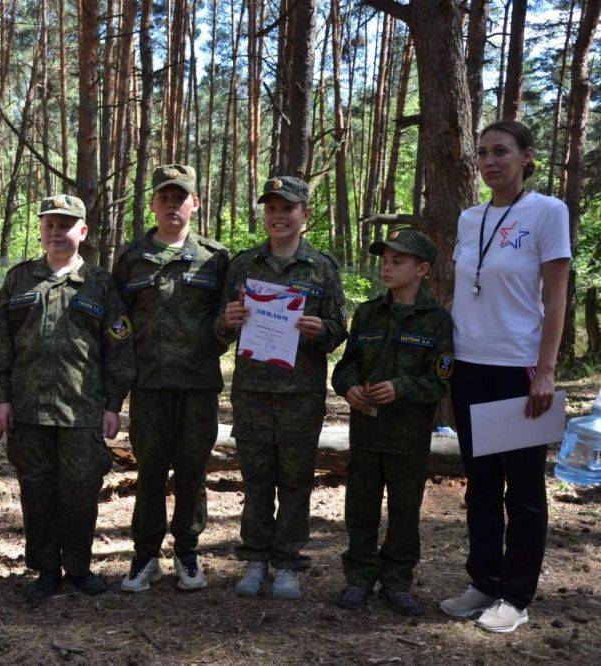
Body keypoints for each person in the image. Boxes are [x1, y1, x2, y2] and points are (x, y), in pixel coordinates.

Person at [439, 120, 571, 634]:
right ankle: (484, 582)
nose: (490, 161)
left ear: (525, 157)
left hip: (519, 369)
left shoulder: (547, 212)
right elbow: (465, 289)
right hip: (470, 366)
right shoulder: (470, 218)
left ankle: (515, 596)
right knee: (482, 485)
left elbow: (555, 296)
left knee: (523, 491)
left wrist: (546, 369)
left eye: (501, 152)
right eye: (483, 153)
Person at [0, 195, 135, 604]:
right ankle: (46, 568)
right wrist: (1, 399)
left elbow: (119, 348)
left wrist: (113, 404)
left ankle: (79, 566)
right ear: (41, 230)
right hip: (29, 408)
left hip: (82, 410)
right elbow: (1, 345)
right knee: (36, 490)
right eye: (50, 225)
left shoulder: (101, 284)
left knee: (80, 490)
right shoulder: (19, 280)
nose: (56, 232)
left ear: (82, 232)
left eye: (66, 225)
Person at [217, 176, 347, 599]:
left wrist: (318, 329)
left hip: (300, 395)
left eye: (287, 208)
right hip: (253, 392)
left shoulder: (322, 266)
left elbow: (338, 328)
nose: (278, 216)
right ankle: (255, 560)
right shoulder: (243, 264)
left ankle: (287, 562)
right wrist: (228, 321)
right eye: (271, 208)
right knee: (255, 481)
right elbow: (217, 326)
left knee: (295, 482)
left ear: (304, 215)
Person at [112, 165, 229, 592]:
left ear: (195, 203)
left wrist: (223, 331)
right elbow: (118, 325)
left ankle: (187, 551)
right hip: (150, 386)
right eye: (164, 197)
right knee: (151, 472)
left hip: (198, 384)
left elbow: (226, 321)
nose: (172, 205)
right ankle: (145, 556)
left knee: (193, 472)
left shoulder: (216, 258)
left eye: (180, 198)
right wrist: (121, 382)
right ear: (154, 203)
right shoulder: (131, 258)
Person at [331, 229, 453, 616]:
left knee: (404, 510)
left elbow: (441, 380)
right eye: (384, 260)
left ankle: (397, 581)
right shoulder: (368, 312)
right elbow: (346, 367)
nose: (387, 267)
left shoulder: (436, 321)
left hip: (408, 438)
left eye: (397, 261)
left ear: (422, 269)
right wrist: (348, 388)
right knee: (360, 507)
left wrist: (400, 387)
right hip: (365, 432)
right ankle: (359, 578)